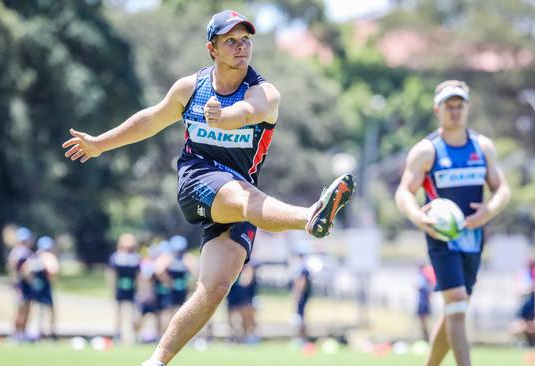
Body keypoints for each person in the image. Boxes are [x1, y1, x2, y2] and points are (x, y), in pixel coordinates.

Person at [62, 9, 354, 365]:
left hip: (241, 194)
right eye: (230, 40)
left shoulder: (265, 93)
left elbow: (247, 112)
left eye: (245, 39)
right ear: (212, 48)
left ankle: (155, 361)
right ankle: (311, 216)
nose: (241, 47)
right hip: (197, 180)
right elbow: (151, 120)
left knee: (214, 288)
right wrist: (99, 144)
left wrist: (225, 117)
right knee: (243, 197)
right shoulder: (190, 88)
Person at [395, 80, 511, 366]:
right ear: (438, 109)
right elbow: (403, 192)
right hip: (441, 239)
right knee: (457, 304)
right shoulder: (426, 151)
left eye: (460, 106)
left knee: (454, 311)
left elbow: (502, 189)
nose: (455, 111)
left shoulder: (483, 147)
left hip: (474, 239)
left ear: (468, 108)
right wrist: (418, 217)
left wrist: (489, 211)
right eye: (449, 106)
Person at [153, 236, 198, 333]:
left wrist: (189, 284)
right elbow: (158, 271)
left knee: (179, 312)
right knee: (168, 312)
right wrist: (169, 282)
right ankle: (165, 333)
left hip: (181, 290)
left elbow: (195, 273)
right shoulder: (168, 258)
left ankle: (176, 333)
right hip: (172, 290)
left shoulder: (186, 258)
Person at [108, 233, 142, 343]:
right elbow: (112, 274)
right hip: (120, 289)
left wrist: (140, 289)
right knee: (119, 313)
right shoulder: (116, 257)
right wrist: (112, 289)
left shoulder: (136, 257)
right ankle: (118, 334)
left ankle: (132, 336)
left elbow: (138, 275)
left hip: (132, 289)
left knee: (134, 314)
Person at [26, 236, 59, 339]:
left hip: (37, 288)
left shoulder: (34, 257)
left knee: (38, 311)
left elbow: (26, 271)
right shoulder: (49, 257)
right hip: (46, 288)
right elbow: (53, 270)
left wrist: (32, 283)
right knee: (50, 310)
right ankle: (51, 332)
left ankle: (38, 332)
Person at [7, 227, 35, 341]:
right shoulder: (20, 252)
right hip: (22, 285)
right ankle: (17, 334)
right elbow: (19, 270)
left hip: (24, 285)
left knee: (25, 310)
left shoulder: (21, 252)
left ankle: (22, 333)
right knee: (21, 310)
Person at [514, 258, 535, 346]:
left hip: (531, 306)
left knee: (533, 326)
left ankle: (533, 342)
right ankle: (525, 342)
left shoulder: (534, 273)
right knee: (520, 326)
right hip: (524, 306)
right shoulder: (523, 274)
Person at [291, 252, 312, 342]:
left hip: (302, 296)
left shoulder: (302, 268)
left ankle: (301, 337)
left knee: (300, 317)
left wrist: (298, 293)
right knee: (300, 316)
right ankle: (301, 337)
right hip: (302, 295)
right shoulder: (301, 268)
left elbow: (302, 282)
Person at [417, 263, 436, 342]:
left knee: (424, 319)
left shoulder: (425, 275)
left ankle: (427, 337)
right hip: (423, 300)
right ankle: (426, 337)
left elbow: (427, 288)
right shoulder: (422, 275)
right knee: (423, 319)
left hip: (424, 301)